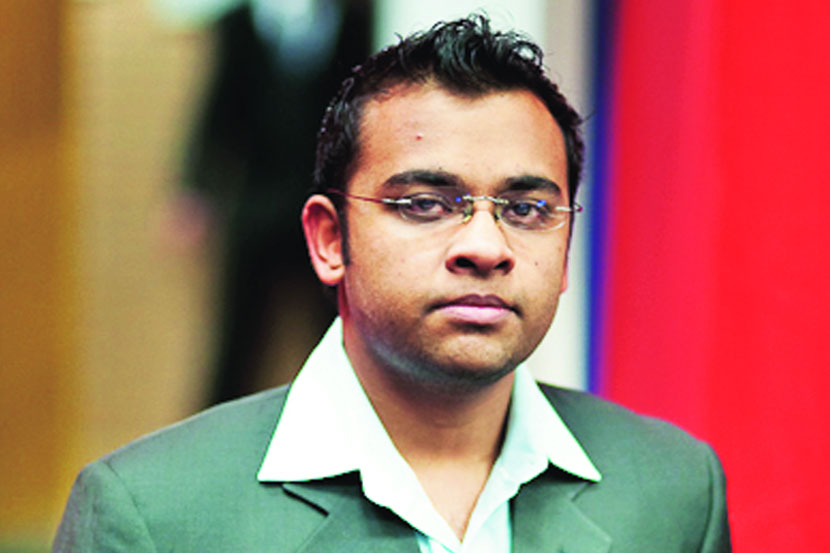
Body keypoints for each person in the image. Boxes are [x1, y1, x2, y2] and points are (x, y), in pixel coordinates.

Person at [53, 16, 731, 553]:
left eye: (527, 210)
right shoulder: (154, 516)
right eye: (425, 204)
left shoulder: (672, 490)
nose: (485, 247)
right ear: (330, 239)